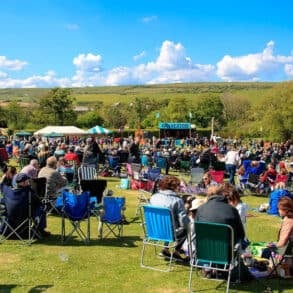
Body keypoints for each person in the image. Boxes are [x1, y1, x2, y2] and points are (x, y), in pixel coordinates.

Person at [149, 175, 189, 261]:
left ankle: (165, 249)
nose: (179, 188)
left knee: (169, 223)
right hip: (169, 232)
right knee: (187, 228)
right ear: (174, 187)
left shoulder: (154, 197)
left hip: (153, 230)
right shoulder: (177, 200)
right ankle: (176, 252)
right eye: (178, 186)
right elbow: (184, 222)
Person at [0, 173, 50, 238]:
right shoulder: (29, 192)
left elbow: (2, 186)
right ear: (24, 182)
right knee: (41, 209)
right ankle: (41, 230)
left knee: (3, 208)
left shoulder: (8, 192)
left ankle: (3, 229)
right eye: (27, 181)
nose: (29, 182)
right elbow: (39, 203)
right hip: (25, 218)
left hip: (10, 219)